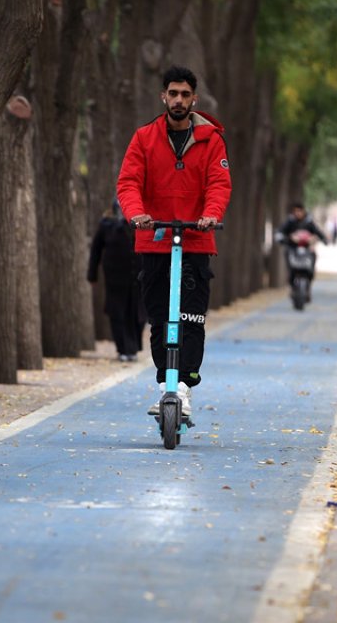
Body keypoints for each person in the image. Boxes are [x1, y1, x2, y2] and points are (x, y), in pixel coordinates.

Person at [116, 65, 231, 418]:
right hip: (155, 241)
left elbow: (218, 184)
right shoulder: (144, 138)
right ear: (163, 96)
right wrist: (136, 214)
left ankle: (183, 386)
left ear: (193, 98)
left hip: (195, 242)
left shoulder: (211, 139)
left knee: (191, 318)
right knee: (159, 319)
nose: (178, 100)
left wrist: (211, 215)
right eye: (173, 93)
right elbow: (128, 182)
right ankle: (164, 383)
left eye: (185, 94)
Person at [88, 203, 145, 362]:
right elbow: (96, 250)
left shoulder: (142, 223)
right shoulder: (107, 225)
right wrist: (92, 275)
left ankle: (132, 347)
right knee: (117, 313)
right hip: (115, 278)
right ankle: (122, 348)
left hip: (138, 278)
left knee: (138, 314)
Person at [275, 203, 329, 302]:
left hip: (307, 249)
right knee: (289, 261)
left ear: (303, 211)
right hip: (293, 249)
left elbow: (317, 232)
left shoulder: (309, 222)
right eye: (296, 211)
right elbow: (280, 232)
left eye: (300, 211)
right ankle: (292, 286)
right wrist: (287, 238)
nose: (298, 213)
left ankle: (308, 286)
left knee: (313, 258)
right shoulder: (290, 222)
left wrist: (323, 239)